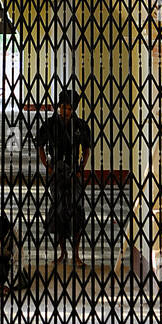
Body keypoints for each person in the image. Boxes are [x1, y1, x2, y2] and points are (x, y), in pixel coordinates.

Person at [37, 89, 92, 266]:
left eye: (68, 108)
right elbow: (40, 145)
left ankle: (76, 255)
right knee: (59, 211)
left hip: (73, 171)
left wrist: (80, 168)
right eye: (62, 107)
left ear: (73, 109)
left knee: (76, 211)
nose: (64, 111)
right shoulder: (50, 124)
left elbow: (87, 148)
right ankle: (62, 253)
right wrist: (48, 166)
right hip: (57, 171)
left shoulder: (81, 125)